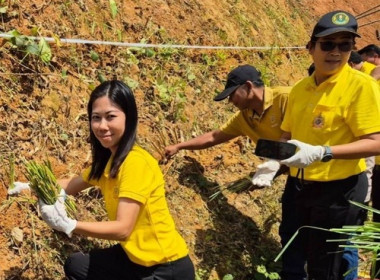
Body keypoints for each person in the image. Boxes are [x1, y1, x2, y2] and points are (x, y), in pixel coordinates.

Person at [11, 81, 195, 280]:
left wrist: (70, 225)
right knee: (77, 266)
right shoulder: (109, 163)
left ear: (129, 118)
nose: (102, 126)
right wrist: (31, 186)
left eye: (111, 117)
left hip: (166, 269)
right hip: (133, 258)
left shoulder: (136, 163)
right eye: (96, 118)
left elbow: (123, 229)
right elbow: (71, 185)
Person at [164, 65, 310, 279]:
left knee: (323, 233)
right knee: (290, 231)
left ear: (248, 87)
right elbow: (215, 136)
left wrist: (272, 170)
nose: (231, 101)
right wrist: (180, 146)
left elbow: (304, 141)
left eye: (232, 95)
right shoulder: (246, 117)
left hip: (323, 175)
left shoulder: (287, 98)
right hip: (296, 177)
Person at [273, 10, 380, 280]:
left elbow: (376, 142)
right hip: (299, 187)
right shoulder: (299, 89)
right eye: (328, 44)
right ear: (310, 47)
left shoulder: (361, 86)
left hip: (339, 191)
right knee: (292, 249)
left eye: (345, 45)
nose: (336, 52)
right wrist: (274, 161)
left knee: (326, 267)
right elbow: (287, 134)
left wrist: (324, 152)